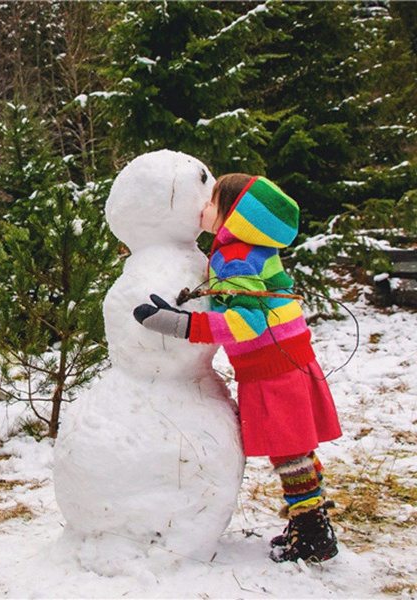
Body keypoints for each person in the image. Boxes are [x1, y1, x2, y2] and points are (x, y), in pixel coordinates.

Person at [133, 173, 342, 563]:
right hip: (289, 358)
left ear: (235, 216)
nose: (203, 208)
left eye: (213, 201)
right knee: (297, 448)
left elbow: (247, 324)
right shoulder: (254, 249)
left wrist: (181, 324)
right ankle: (309, 522)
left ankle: (313, 534)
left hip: (272, 367)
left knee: (290, 452)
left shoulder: (234, 256)